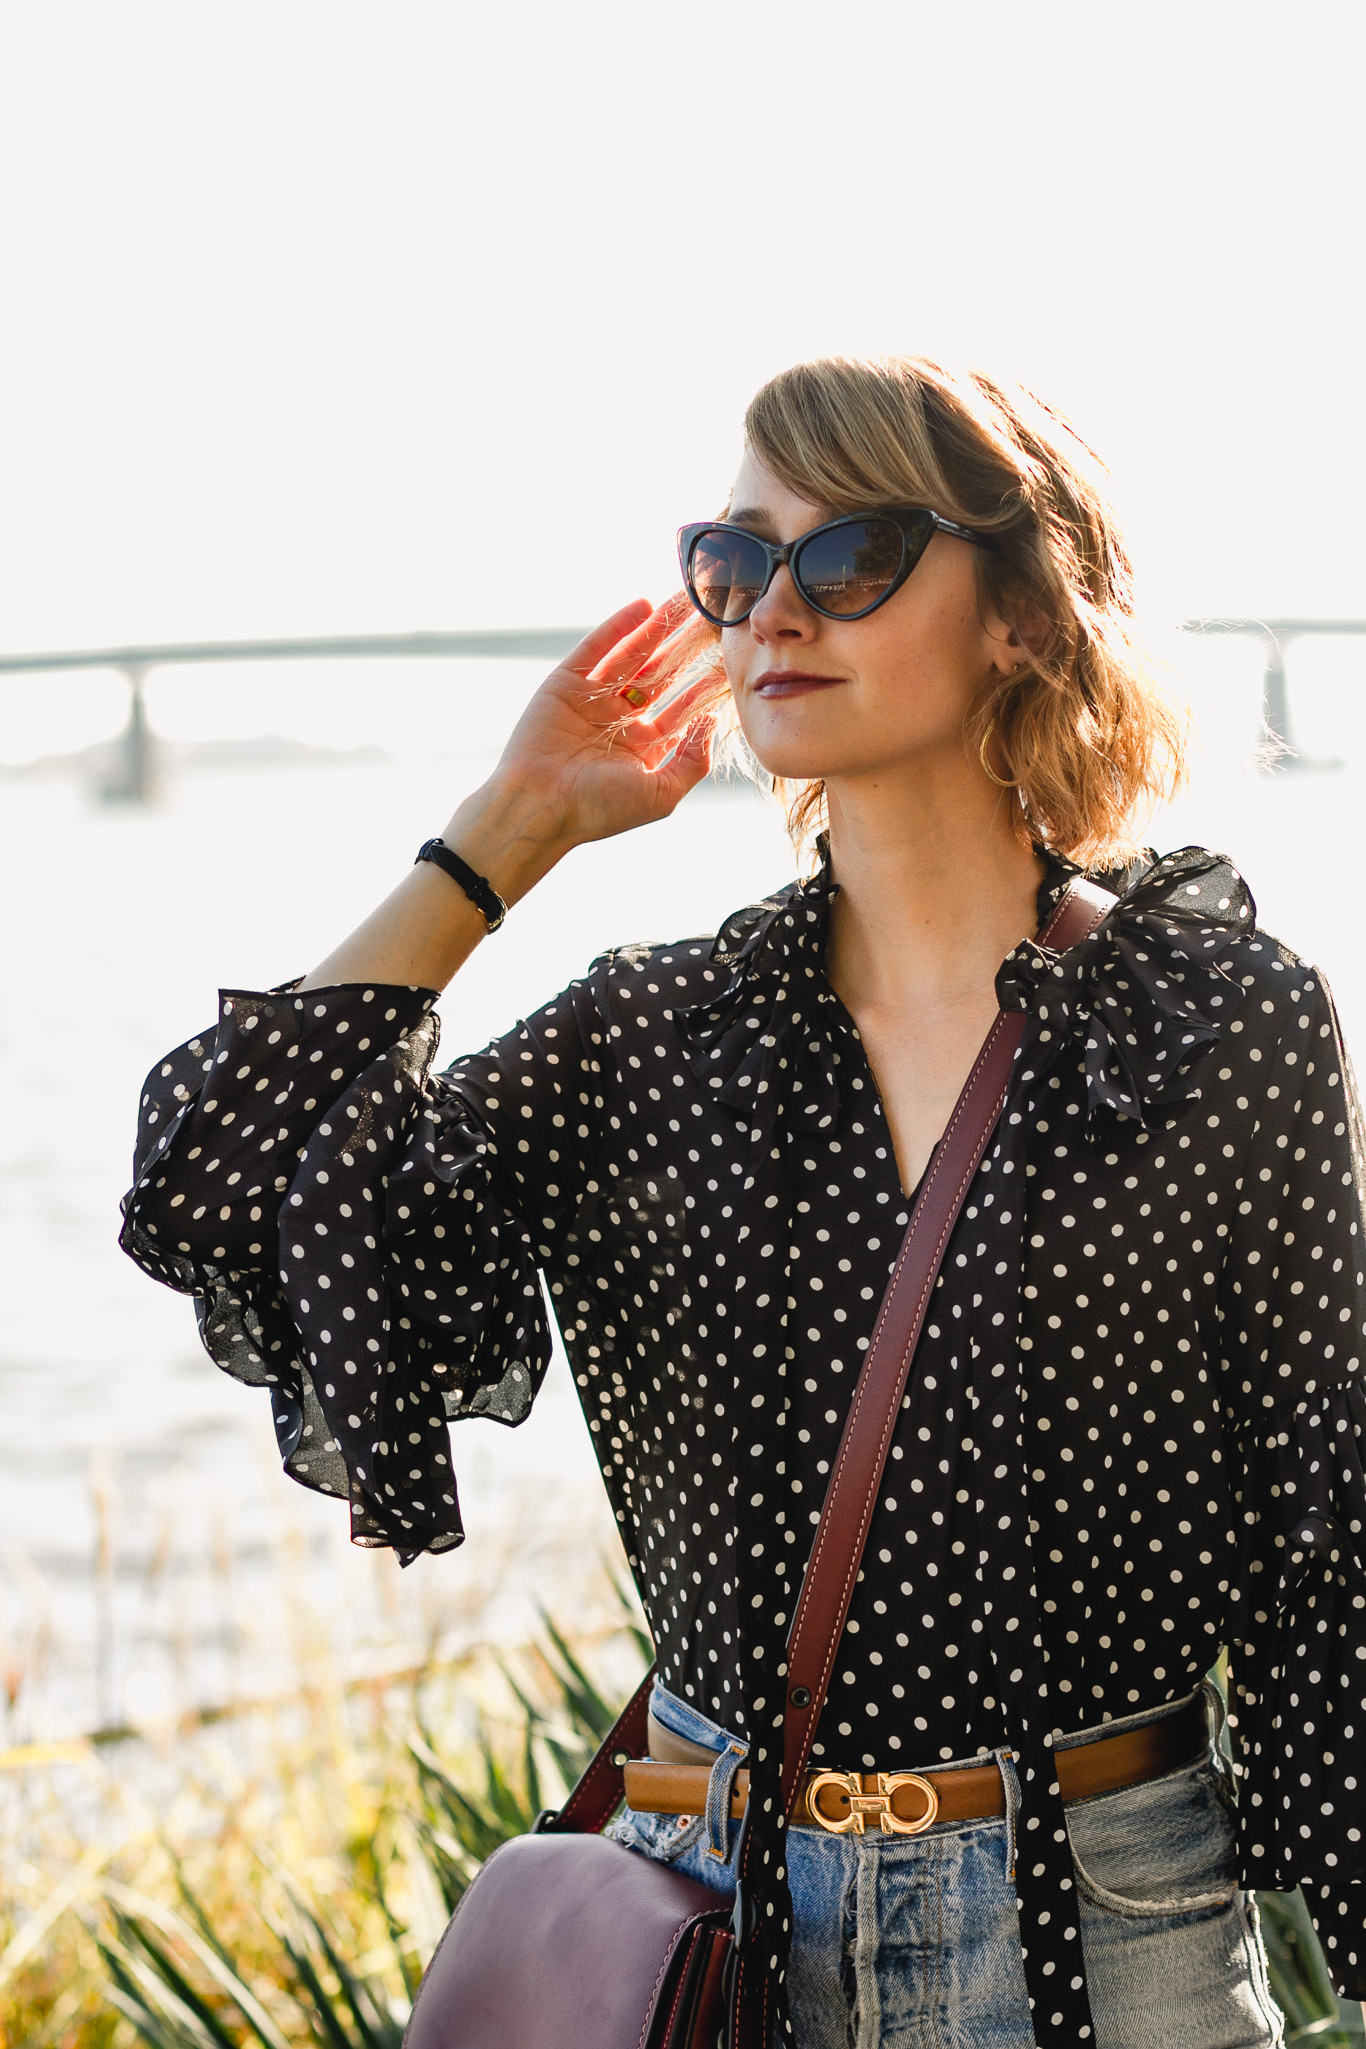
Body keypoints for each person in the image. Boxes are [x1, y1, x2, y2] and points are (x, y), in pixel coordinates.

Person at [121, 355, 1366, 2047]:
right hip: (713, 1930)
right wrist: (504, 835)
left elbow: (1328, 1520)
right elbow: (219, 1183)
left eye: (847, 556)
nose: (774, 606)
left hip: (1107, 1930)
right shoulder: (652, 1044)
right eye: (733, 559)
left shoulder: (1209, 1024)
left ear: (1016, 613)